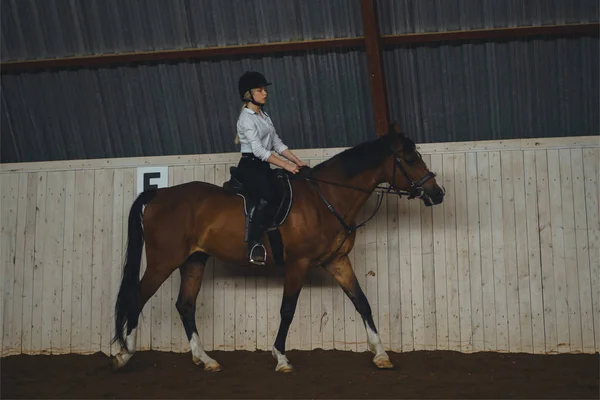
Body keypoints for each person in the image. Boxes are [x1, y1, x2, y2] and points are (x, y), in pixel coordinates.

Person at [234, 71, 307, 265]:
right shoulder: (246, 119)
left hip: (263, 165)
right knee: (266, 195)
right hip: (250, 166)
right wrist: (286, 165)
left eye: (264, 90)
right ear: (249, 94)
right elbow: (258, 151)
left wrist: (297, 162)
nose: (265, 93)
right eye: (260, 90)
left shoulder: (264, 116)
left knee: (284, 189)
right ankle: (254, 243)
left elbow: (277, 143)